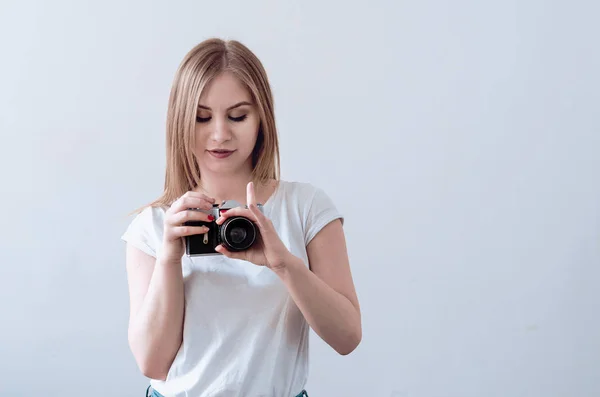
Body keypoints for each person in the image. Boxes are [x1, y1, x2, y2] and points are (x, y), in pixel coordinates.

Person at [121, 38, 361, 397]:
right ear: (180, 120)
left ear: (261, 117)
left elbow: (347, 338)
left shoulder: (306, 207)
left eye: (238, 116)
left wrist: (284, 265)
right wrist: (170, 256)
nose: (220, 134)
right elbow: (153, 364)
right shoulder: (153, 226)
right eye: (202, 117)